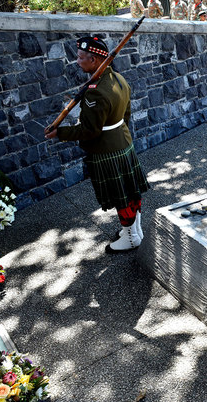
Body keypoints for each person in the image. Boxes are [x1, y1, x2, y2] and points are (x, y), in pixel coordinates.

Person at [44, 36, 149, 252]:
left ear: (93, 60)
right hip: (123, 142)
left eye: (81, 57)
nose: (77, 61)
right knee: (131, 191)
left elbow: (90, 130)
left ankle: (130, 237)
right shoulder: (118, 78)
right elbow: (126, 113)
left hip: (106, 150)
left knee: (120, 195)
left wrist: (59, 132)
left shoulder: (95, 91)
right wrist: (121, 135)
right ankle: (135, 230)